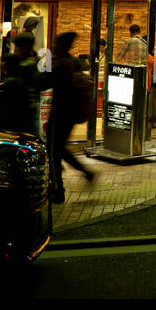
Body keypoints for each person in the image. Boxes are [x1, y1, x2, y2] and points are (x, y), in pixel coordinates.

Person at [43, 32, 94, 202]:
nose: (53, 46)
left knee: (55, 151)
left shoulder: (60, 65)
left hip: (60, 113)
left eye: (56, 43)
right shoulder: (75, 62)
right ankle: (83, 172)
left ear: (61, 45)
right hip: (71, 113)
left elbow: (42, 82)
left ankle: (57, 190)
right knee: (58, 148)